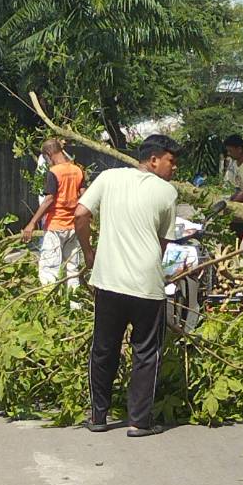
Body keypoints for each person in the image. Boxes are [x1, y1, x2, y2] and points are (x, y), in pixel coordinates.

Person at [74, 135, 180, 438]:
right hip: (146, 286)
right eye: (171, 162)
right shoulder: (168, 193)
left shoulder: (108, 177)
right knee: (146, 352)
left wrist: (89, 252)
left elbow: (80, 215)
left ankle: (98, 417)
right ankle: (139, 422)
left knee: (104, 348)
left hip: (108, 281)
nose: (174, 168)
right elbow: (163, 243)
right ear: (154, 159)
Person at [22, 138, 86, 287]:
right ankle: (74, 305)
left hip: (55, 226)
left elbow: (49, 199)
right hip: (72, 226)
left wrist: (32, 223)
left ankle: (48, 303)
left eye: (46, 157)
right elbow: (84, 195)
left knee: (49, 268)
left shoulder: (54, 173)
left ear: (49, 153)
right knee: (72, 269)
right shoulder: (77, 170)